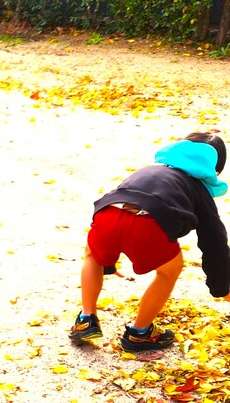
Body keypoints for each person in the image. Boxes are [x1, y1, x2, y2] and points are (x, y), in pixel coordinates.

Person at [70, 131, 230, 353]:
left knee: (91, 254)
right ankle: (139, 333)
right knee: (170, 269)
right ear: (216, 171)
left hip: (107, 211)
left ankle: (86, 318)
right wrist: (222, 286)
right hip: (148, 223)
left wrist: (107, 258)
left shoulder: (151, 170)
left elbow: (122, 202)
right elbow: (215, 242)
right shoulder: (198, 188)